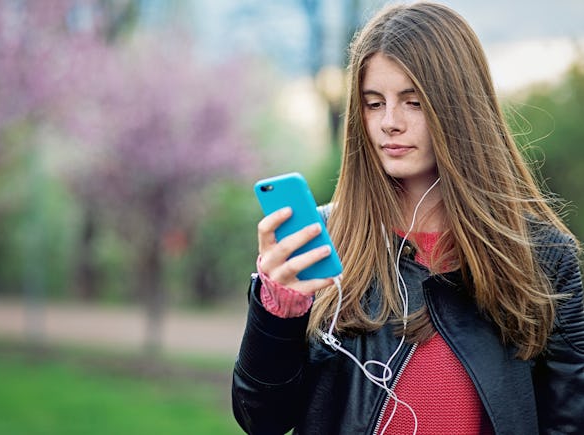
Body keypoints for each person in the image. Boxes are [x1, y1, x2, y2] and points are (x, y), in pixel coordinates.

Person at [231, 2, 584, 434]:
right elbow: (261, 419)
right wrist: (278, 312)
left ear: (461, 110)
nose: (389, 123)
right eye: (374, 103)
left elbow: (569, 421)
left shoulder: (543, 256)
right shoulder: (324, 240)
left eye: (413, 102)